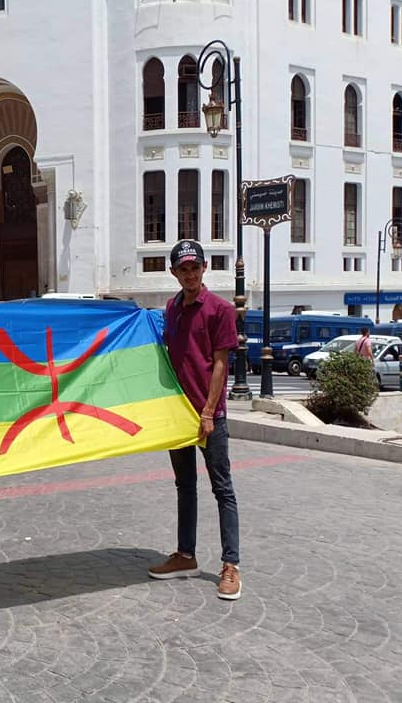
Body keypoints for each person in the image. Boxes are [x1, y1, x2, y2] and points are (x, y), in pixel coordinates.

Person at [149, 240, 242, 601]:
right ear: (174, 273)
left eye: (195, 267)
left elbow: (220, 363)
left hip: (208, 416)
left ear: (204, 269)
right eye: (183, 269)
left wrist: (207, 411)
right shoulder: (171, 308)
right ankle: (185, 555)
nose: (190, 274)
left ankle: (231, 565)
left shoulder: (219, 310)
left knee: (223, 489)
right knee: (184, 485)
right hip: (178, 415)